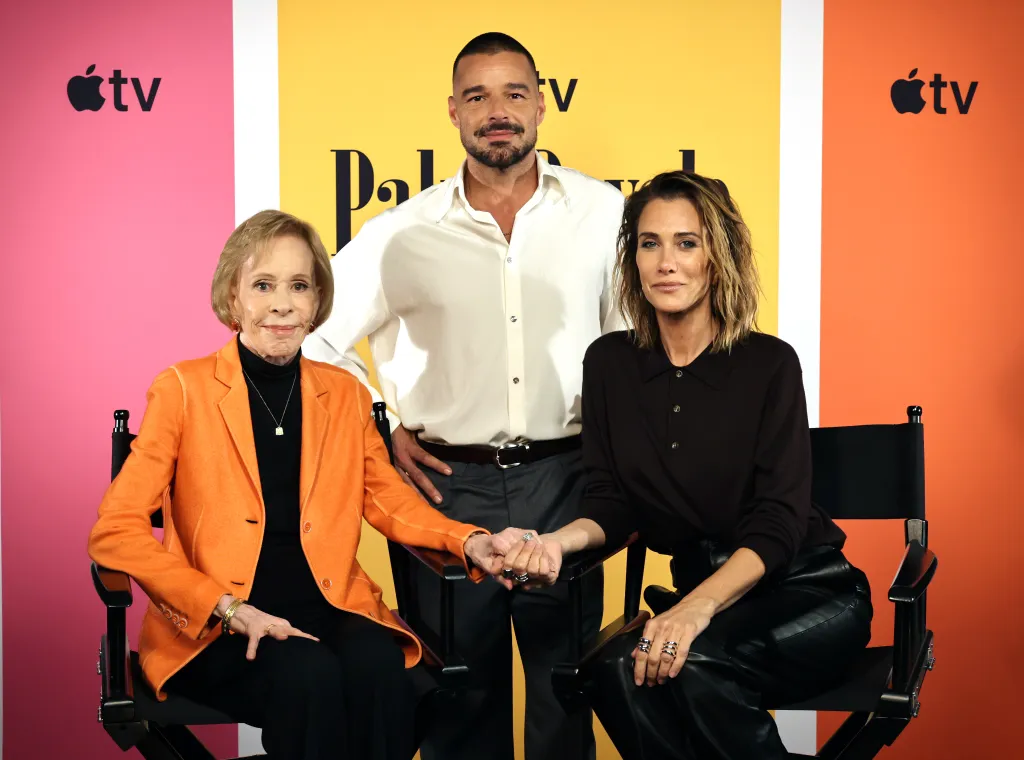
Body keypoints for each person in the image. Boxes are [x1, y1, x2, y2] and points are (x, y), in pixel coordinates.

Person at [87, 210, 526, 760]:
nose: (281, 303)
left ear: (317, 301)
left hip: (329, 606)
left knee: (381, 667)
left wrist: (469, 540)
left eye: (299, 285)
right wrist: (224, 606)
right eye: (262, 285)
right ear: (232, 296)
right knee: (309, 676)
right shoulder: (182, 389)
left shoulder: (344, 393)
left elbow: (386, 498)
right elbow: (115, 532)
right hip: (217, 625)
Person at [302, 31, 623, 760]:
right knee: (457, 700)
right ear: (453, 112)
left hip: (567, 483)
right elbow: (313, 335)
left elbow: (631, 348)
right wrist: (378, 425)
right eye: (477, 96)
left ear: (542, 103)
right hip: (445, 492)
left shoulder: (606, 215)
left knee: (564, 694)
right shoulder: (399, 234)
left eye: (514, 92)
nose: (497, 110)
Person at [501, 171, 874, 759]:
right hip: (701, 600)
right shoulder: (609, 364)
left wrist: (693, 610)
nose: (665, 262)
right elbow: (610, 503)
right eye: (649, 244)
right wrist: (555, 542)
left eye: (686, 242)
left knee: (687, 659)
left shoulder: (769, 364)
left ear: (717, 257)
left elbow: (780, 519)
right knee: (616, 670)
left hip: (808, 593)